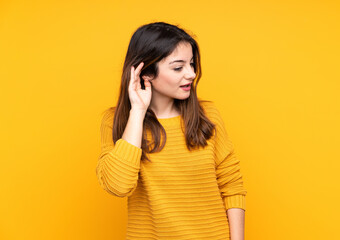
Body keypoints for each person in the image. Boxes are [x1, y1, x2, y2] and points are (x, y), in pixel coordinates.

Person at [96, 22, 247, 240]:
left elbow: (232, 185)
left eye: (192, 64)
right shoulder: (115, 122)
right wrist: (138, 111)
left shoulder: (208, 115)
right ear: (145, 72)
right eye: (178, 67)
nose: (192, 74)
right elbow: (118, 186)